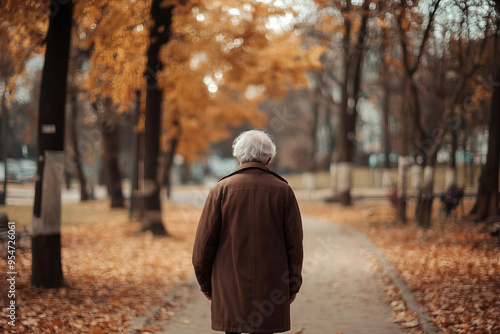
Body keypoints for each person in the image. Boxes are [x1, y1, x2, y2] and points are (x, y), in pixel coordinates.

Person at [192, 130, 304, 334]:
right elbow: (294, 245)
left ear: (238, 156)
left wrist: (205, 283)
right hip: (270, 289)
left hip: (228, 286)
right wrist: (293, 284)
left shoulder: (220, 190)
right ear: (269, 158)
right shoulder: (283, 192)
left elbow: (203, 245)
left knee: (231, 328)